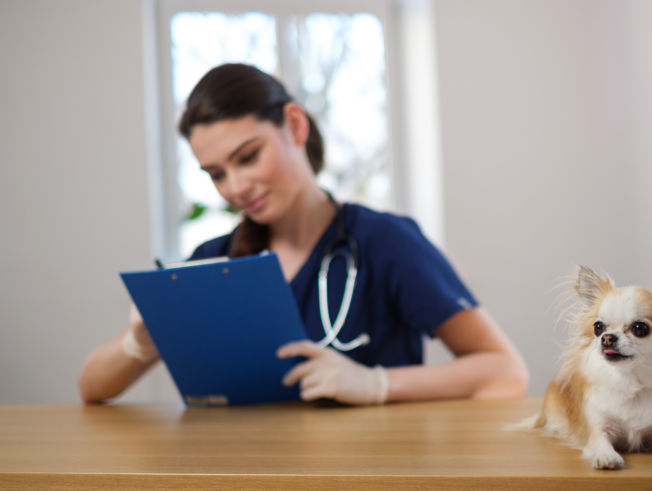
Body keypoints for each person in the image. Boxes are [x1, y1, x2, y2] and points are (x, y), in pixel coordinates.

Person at [78, 63, 528, 405]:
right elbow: (91, 389)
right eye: (216, 173)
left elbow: (505, 370)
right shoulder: (213, 262)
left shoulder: (385, 242)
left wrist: (377, 384)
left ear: (294, 125)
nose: (235, 187)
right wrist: (141, 340)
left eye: (248, 157)